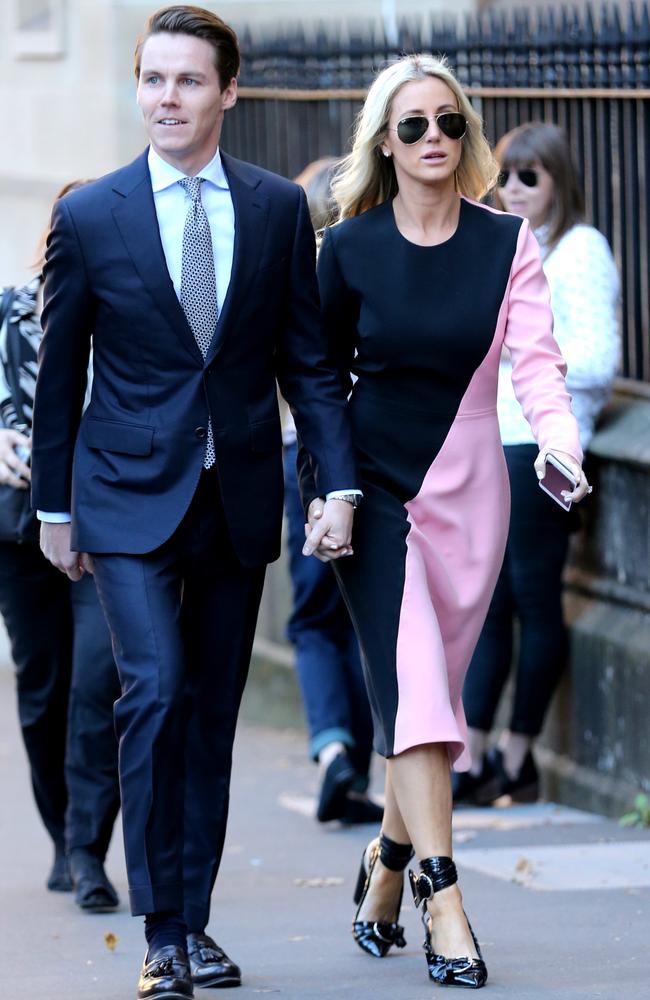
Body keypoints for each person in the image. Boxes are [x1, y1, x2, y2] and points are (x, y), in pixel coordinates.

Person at [31, 7, 358, 1000]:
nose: (166, 98)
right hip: (124, 496)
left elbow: (307, 361)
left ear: (227, 91)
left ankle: (190, 928)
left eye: (186, 80)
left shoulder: (271, 211)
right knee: (157, 686)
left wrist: (332, 482)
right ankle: (156, 928)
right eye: (153, 80)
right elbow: (58, 377)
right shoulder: (92, 213)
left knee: (210, 714)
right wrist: (54, 507)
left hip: (236, 494)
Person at [306, 54, 590, 990]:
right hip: (375, 495)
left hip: (475, 497)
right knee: (419, 692)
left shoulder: (507, 242)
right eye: (413, 125)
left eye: (449, 124)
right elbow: (319, 388)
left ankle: (385, 863)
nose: (434, 139)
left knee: (427, 708)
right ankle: (444, 898)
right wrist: (329, 490)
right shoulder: (347, 249)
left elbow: (538, 365)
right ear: (385, 142)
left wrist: (560, 444)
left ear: (465, 135)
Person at [455, 122, 620, 806]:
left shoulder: (580, 251)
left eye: (531, 177)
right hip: (494, 443)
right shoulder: (510, 246)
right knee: (487, 606)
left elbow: (600, 361)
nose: (515, 189)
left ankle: (516, 755)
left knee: (530, 596)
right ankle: (472, 757)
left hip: (542, 450)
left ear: (559, 183)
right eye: (507, 176)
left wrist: (521, 354)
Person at [0, 184, 121, 913]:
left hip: (109, 524)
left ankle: (88, 848)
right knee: (42, 685)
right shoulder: (10, 310)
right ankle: (61, 834)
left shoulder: (135, 318)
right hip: (18, 527)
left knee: (98, 680)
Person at [283, 158, 382, 826]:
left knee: (314, 617)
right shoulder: (379, 260)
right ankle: (359, 767)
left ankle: (334, 751)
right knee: (364, 618)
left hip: (309, 465)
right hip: (377, 460)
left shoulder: (294, 271)